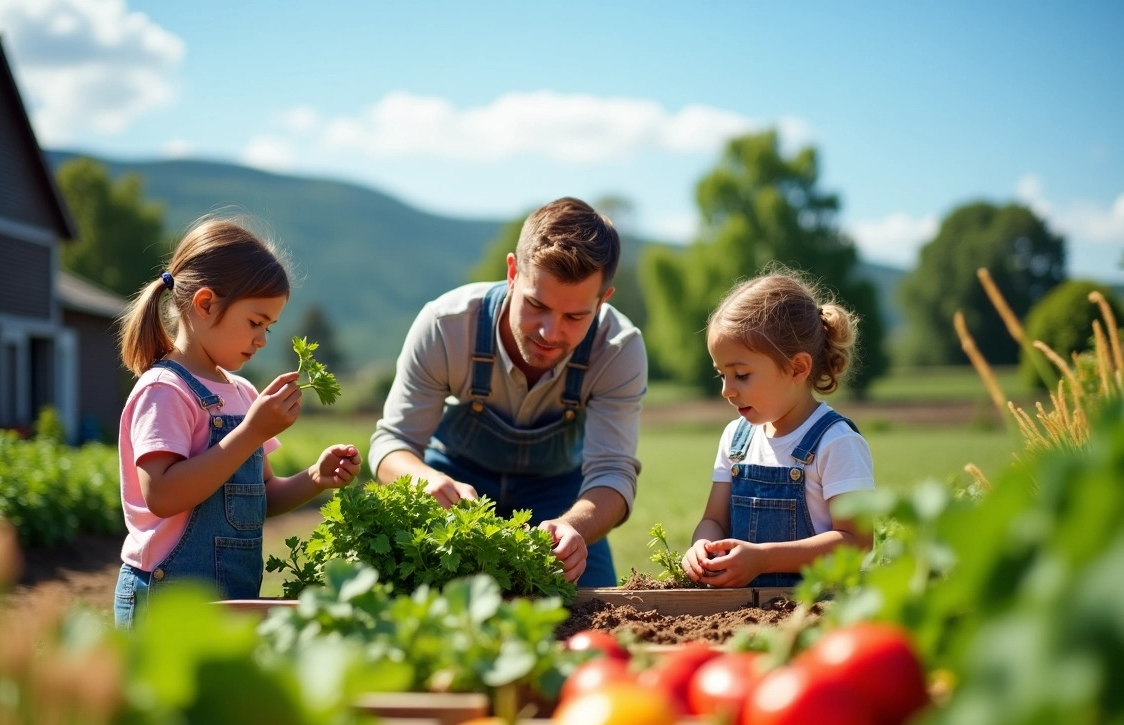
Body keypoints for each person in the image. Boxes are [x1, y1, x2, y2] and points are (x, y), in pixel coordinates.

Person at [368, 197, 647, 587]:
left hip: (562, 496)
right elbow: (392, 443)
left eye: (575, 317)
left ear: (603, 300)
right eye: (537, 305)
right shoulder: (445, 326)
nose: (551, 332)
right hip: (454, 484)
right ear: (512, 272)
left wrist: (572, 529)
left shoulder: (619, 348)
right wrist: (421, 480)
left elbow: (612, 473)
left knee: (593, 611)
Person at [113, 217, 361, 628]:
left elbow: (257, 499)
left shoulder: (244, 392)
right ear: (206, 304)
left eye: (269, 326)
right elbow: (162, 493)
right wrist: (251, 433)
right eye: (255, 322)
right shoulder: (165, 390)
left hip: (234, 597)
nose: (262, 339)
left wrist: (316, 477)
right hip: (169, 599)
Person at [681, 269, 875, 588]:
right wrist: (701, 547)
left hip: (815, 611)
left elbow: (858, 541)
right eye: (722, 375)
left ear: (797, 368)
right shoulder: (735, 439)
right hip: (741, 612)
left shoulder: (836, 442)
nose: (727, 390)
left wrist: (764, 558)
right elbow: (714, 520)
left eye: (741, 375)